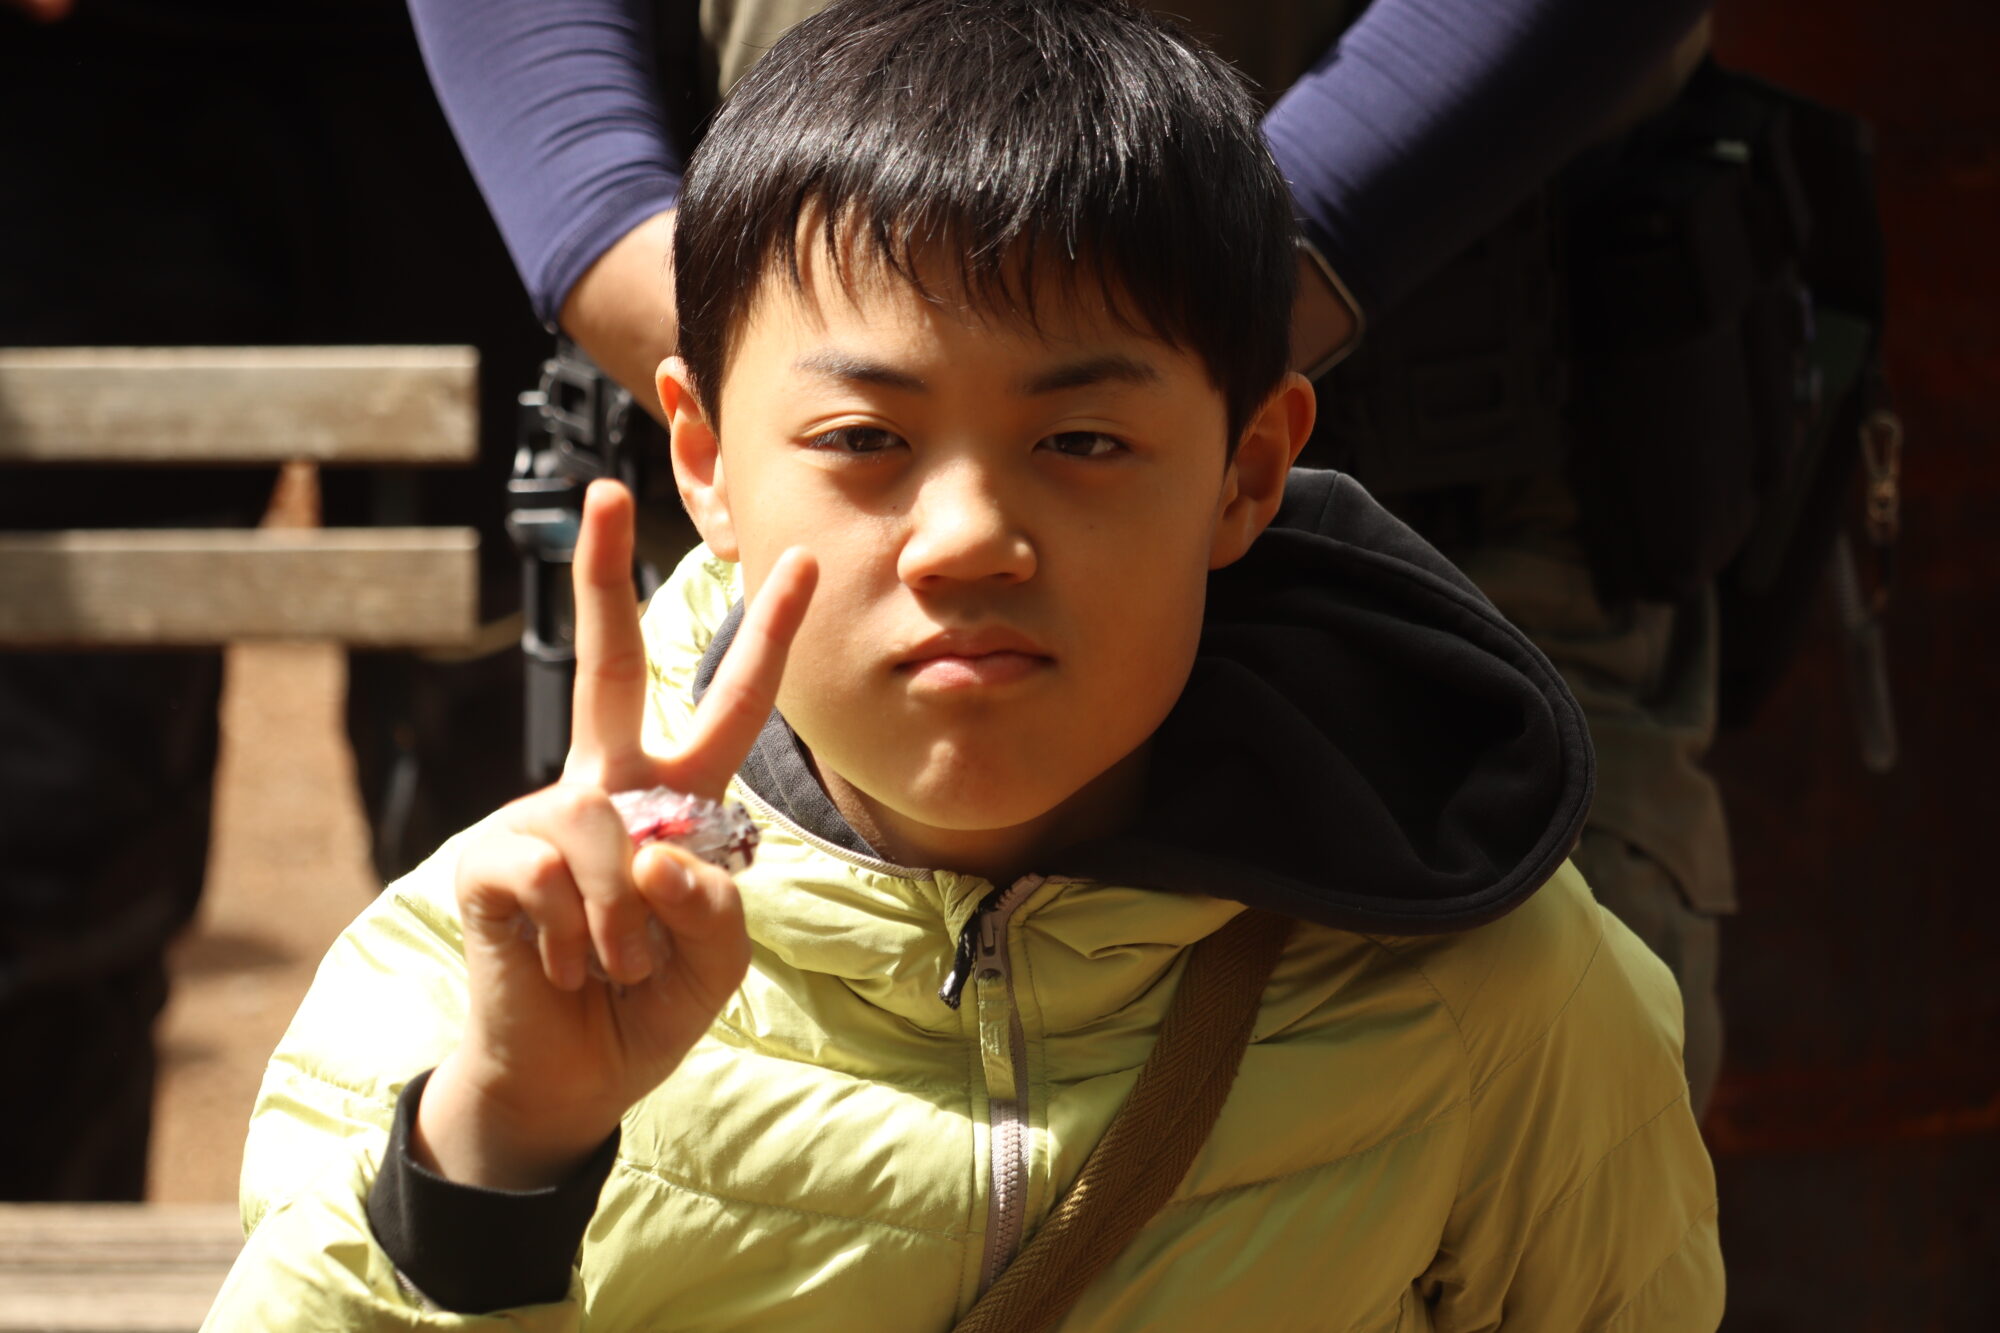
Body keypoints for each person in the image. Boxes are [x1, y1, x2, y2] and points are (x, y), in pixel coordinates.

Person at [203, 3, 1722, 1327]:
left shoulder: (1503, 993)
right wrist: (492, 1154)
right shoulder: (479, 976)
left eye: (1084, 440)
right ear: (704, 460)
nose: (972, 537)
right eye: (865, 436)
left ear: (1249, 468)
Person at [0, 0, 544, 1200]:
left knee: (507, 782)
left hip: (464, 67)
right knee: (45, 820)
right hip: (71, 86)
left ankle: (490, 1243)